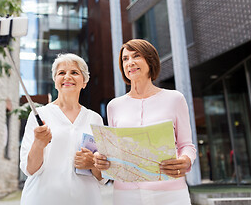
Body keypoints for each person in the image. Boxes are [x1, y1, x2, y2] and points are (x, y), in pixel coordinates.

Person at [94, 39, 197, 205]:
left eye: (136, 56)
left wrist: (185, 160)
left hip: (170, 192)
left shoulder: (175, 99)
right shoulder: (114, 106)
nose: (130, 62)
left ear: (150, 60)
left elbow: (187, 145)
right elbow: (115, 151)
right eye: (125, 59)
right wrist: (101, 157)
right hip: (126, 195)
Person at [19, 53, 106, 205]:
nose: (67, 77)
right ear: (55, 81)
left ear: (84, 81)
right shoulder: (39, 116)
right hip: (42, 199)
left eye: (74, 72)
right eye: (61, 73)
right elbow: (30, 169)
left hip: (86, 200)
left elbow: (103, 175)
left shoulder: (95, 119)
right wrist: (39, 144)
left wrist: (92, 163)